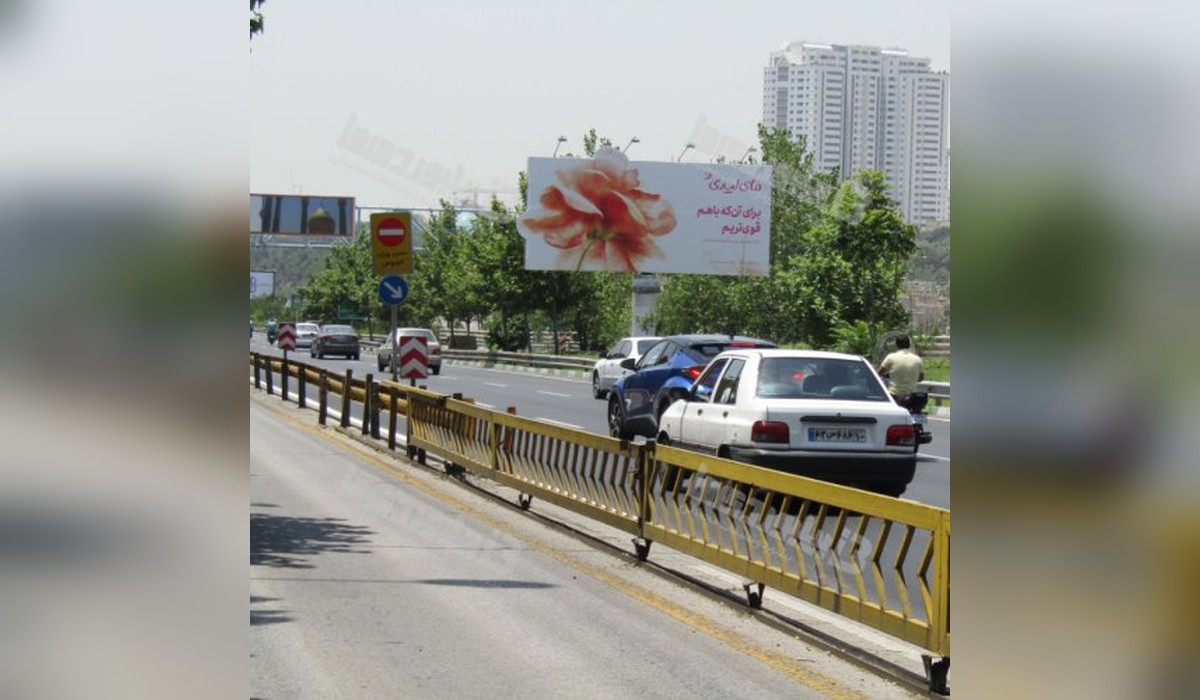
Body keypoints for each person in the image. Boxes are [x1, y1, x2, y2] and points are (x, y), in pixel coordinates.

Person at [876, 333, 924, 398]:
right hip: (912, 397)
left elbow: (878, 374)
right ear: (909, 345)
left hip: (894, 395)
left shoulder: (891, 357)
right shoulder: (917, 359)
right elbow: (920, 379)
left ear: (896, 345)